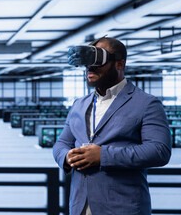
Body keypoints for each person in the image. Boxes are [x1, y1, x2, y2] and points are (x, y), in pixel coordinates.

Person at [53, 37, 171, 215]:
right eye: (87, 63)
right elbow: (61, 143)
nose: (89, 68)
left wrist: (103, 156)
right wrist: (67, 157)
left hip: (122, 208)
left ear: (119, 64)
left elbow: (159, 150)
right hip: (80, 206)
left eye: (97, 62)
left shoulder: (147, 103)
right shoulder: (79, 104)